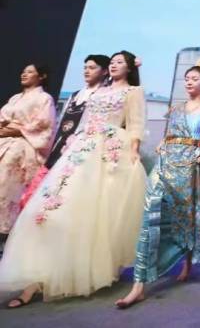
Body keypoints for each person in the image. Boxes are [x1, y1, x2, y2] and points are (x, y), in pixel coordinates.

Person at [0, 51, 147, 307]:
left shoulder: (133, 92)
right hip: (81, 149)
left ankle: (80, 271)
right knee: (52, 207)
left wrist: (133, 151)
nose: (114, 65)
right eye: (112, 62)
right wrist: (70, 146)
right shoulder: (98, 91)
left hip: (110, 151)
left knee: (95, 215)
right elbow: (83, 122)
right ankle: (35, 279)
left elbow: (135, 124)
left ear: (130, 68)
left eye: (119, 62)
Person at [116, 59, 200, 308]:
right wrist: (161, 144)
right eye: (186, 79)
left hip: (188, 166)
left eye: (194, 79)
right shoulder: (176, 109)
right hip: (165, 162)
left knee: (185, 215)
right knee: (151, 214)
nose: (189, 82)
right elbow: (170, 133)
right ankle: (138, 285)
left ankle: (186, 262)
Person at [19, 55, 110, 210]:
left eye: (92, 68)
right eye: (85, 68)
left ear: (105, 71)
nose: (87, 71)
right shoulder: (75, 95)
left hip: (77, 149)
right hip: (58, 147)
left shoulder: (103, 96)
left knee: (59, 193)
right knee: (34, 193)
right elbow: (60, 122)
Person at [0, 63, 56, 239]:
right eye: (23, 71)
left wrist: (19, 129)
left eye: (30, 72)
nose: (24, 74)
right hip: (4, 139)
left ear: (41, 76)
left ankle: (4, 230)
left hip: (22, 145)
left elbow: (44, 124)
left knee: (6, 186)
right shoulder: (15, 98)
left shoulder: (44, 98)